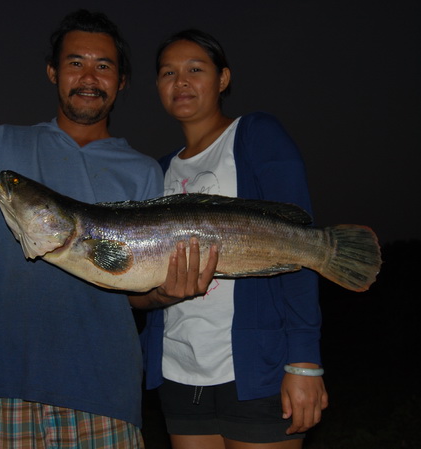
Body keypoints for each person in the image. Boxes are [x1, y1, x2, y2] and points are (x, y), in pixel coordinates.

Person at [0, 9, 182, 448]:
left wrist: (162, 294)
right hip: (9, 385)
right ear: (53, 72)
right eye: (75, 63)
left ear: (122, 80)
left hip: (107, 392)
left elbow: (133, 291)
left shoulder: (145, 172)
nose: (89, 77)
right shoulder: (3, 145)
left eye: (104, 66)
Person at [135, 29, 329, 449]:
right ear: (157, 86)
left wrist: (305, 361)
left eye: (195, 70)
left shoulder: (256, 134)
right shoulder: (157, 171)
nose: (180, 82)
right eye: (168, 72)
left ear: (222, 79)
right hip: (179, 370)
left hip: (258, 368)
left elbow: (302, 245)